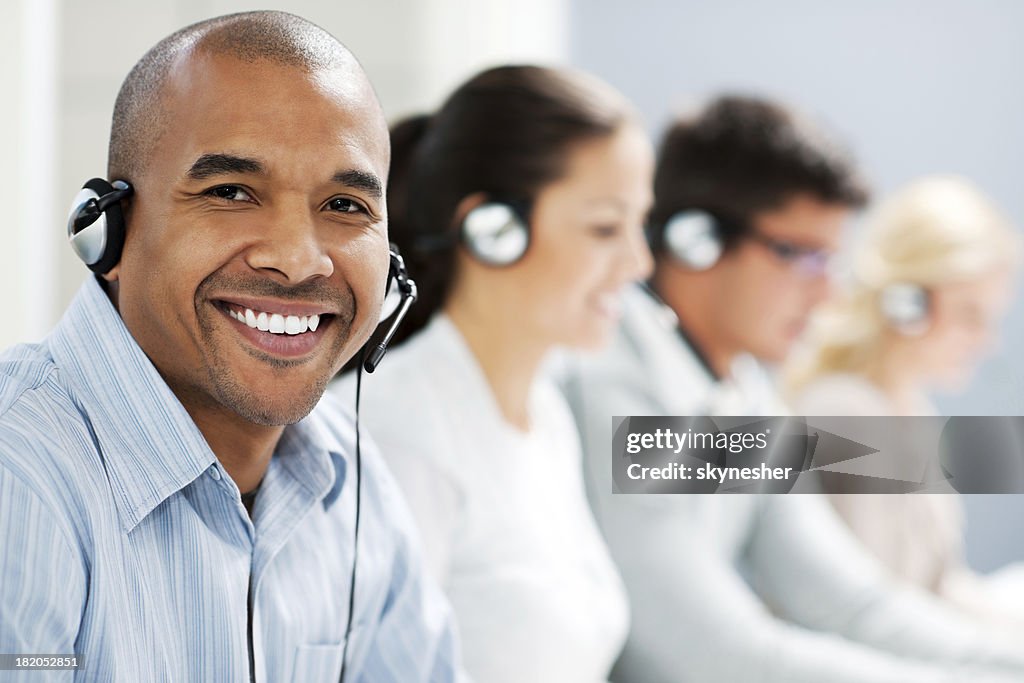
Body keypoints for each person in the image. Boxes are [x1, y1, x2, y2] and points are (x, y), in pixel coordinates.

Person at [0, 11, 462, 682]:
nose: (299, 261)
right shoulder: (22, 477)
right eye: (231, 192)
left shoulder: (350, 473)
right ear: (107, 233)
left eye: (345, 206)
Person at [565, 95, 1024, 682]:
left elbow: (852, 603)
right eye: (801, 257)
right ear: (695, 240)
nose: (828, 294)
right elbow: (713, 655)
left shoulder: (743, 394)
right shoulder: (617, 388)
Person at [332, 65, 654, 682]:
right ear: (492, 230)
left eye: (640, 225)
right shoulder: (396, 427)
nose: (639, 262)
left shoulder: (547, 416)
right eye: (606, 228)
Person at [786, 175, 1024, 629]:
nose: (986, 342)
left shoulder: (907, 407)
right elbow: (873, 615)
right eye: (971, 315)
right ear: (905, 303)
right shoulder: (843, 413)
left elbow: (937, 589)